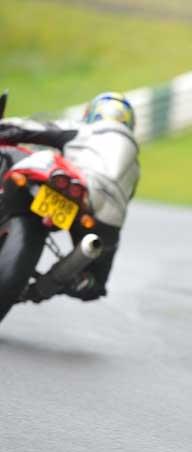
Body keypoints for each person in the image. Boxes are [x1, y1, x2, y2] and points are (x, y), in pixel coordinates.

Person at [0, 92, 140, 301]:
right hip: (103, 219)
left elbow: (28, 129)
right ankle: (50, 287)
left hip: (71, 186)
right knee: (94, 285)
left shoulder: (86, 130)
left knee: (27, 159)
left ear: (92, 114)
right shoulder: (136, 167)